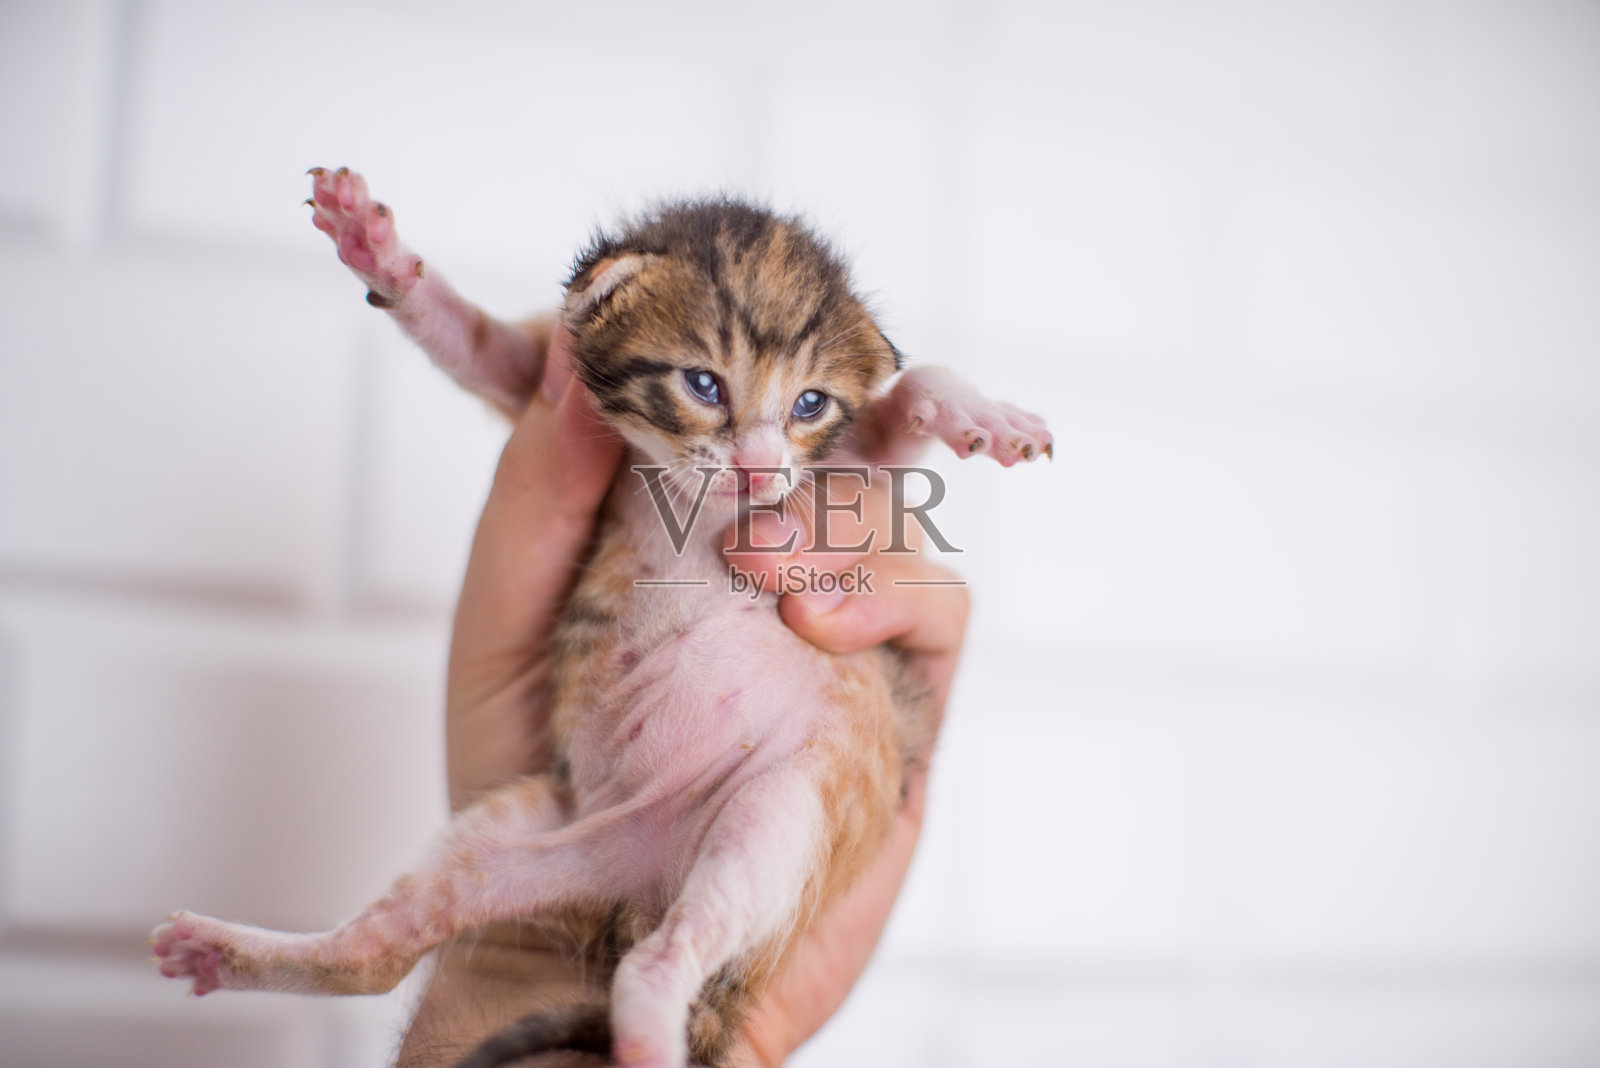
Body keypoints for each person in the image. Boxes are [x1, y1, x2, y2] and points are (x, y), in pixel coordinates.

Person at [396, 327, 969, 1067]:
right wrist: (517, 954)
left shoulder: (798, 445)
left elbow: (881, 427)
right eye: (707, 385)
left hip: (747, 850)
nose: (758, 455)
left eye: (804, 402)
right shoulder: (619, 414)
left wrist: (749, 1023)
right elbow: (512, 358)